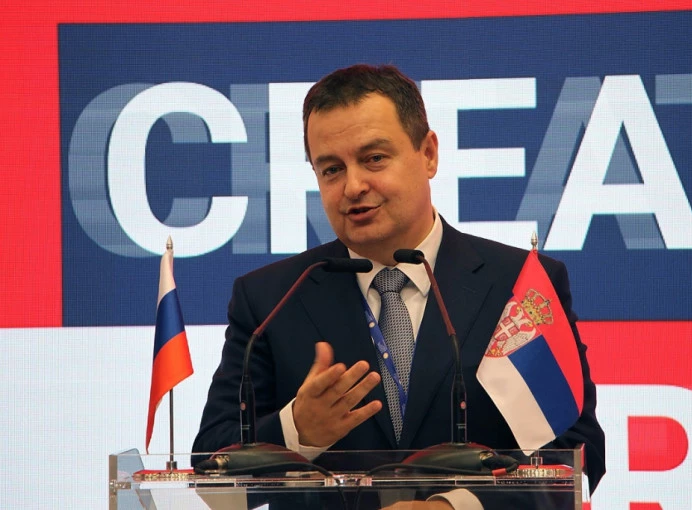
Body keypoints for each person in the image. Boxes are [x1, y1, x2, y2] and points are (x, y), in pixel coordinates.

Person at [192, 64, 606, 508]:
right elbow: (211, 472)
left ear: (428, 154)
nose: (353, 186)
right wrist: (297, 430)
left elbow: (575, 453)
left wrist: (455, 507)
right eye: (331, 169)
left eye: (374, 158)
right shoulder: (271, 299)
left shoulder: (518, 284)